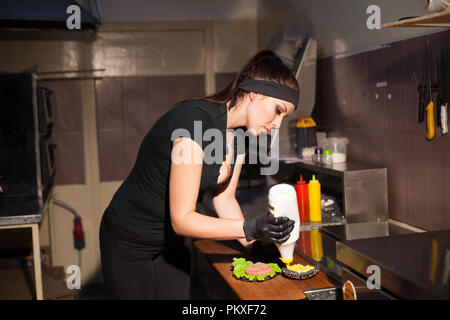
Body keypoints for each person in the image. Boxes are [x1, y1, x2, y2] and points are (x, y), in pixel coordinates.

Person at [99, 50, 300, 299]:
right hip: (128, 240)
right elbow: (182, 219)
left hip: (169, 244)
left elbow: (224, 199)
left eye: (285, 116)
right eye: (278, 110)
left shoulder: (240, 136)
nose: (278, 125)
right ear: (255, 93)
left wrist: (254, 245)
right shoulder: (194, 121)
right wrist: (250, 227)